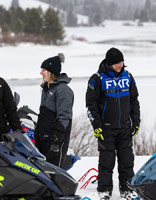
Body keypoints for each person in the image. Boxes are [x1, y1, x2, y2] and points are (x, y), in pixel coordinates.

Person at [86, 47, 140, 200]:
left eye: (122, 62)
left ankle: (128, 191)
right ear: (109, 63)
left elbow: (134, 101)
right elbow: (91, 105)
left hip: (125, 128)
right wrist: (96, 126)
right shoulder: (97, 79)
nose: (120, 65)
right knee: (106, 163)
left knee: (127, 163)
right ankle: (104, 192)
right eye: (117, 63)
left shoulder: (128, 76)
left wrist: (136, 122)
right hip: (106, 129)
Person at [35, 53, 74, 169]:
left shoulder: (63, 90)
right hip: (43, 139)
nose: (41, 73)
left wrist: (56, 143)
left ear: (51, 72)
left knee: (53, 174)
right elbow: (43, 115)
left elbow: (64, 118)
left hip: (55, 142)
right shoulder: (46, 89)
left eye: (44, 70)